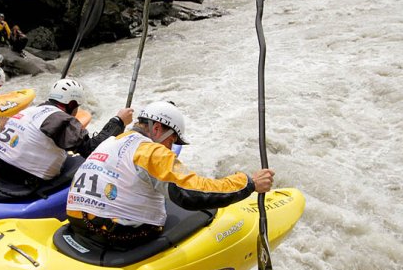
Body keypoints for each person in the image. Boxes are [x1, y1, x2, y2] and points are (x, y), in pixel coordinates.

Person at [66, 101, 275, 246]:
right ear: (157, 129)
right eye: (172, 140)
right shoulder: (151, 151)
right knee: (192, 209)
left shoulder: (112, 140)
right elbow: (190, 193)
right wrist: (248, 183)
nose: (170, 146)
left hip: (77, 222)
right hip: (113, 233)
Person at [0, 79, 133, 191]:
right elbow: (92, 149)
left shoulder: (29, 110)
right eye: (77, 106)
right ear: (71, 104)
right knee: (83, 162)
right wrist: (118, 121)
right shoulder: (59, 119)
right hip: (25, 180)